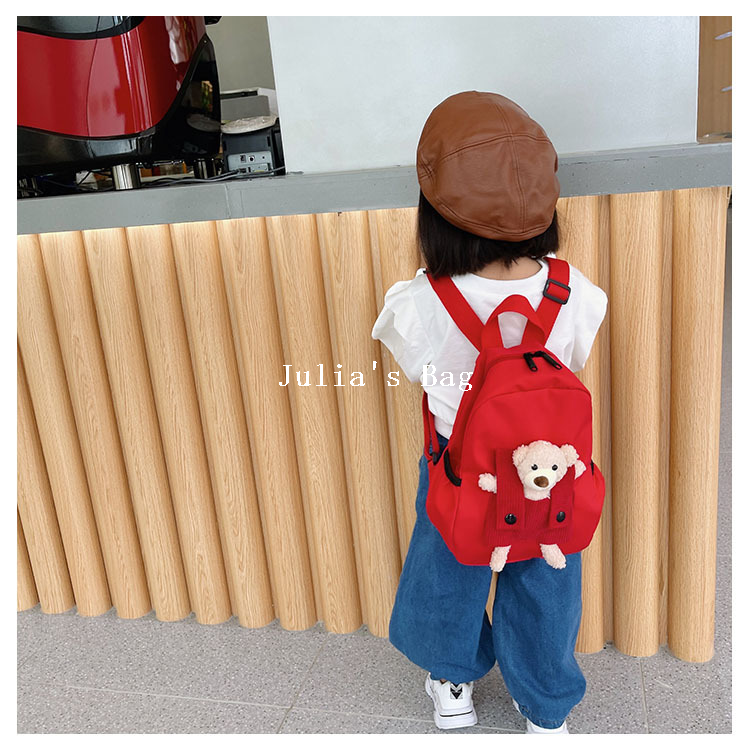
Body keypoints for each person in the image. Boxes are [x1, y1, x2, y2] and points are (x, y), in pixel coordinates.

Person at [371, 91, 608, 734]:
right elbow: (570, 361)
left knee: (448, 575)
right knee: (548, 585)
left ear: (435, 213)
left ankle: (453, 687)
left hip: (459, 468)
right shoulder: (576, 293)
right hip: (553, 475)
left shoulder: (417, 302)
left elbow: (419, 372)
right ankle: (546, 712)